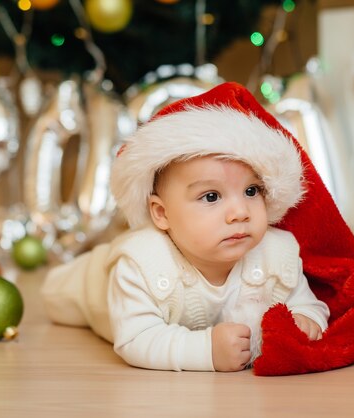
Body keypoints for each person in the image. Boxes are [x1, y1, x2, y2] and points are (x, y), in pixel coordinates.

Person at [41, 82, 329, 372]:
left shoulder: (276, 255)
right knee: (57, 293)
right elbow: (136, 338)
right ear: (162, 213)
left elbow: (309, 304)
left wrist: (307, 321)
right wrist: (205, 350)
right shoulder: (140, 265)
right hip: (92, 284)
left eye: (252, 191)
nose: (240, 212)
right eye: (211, 196)